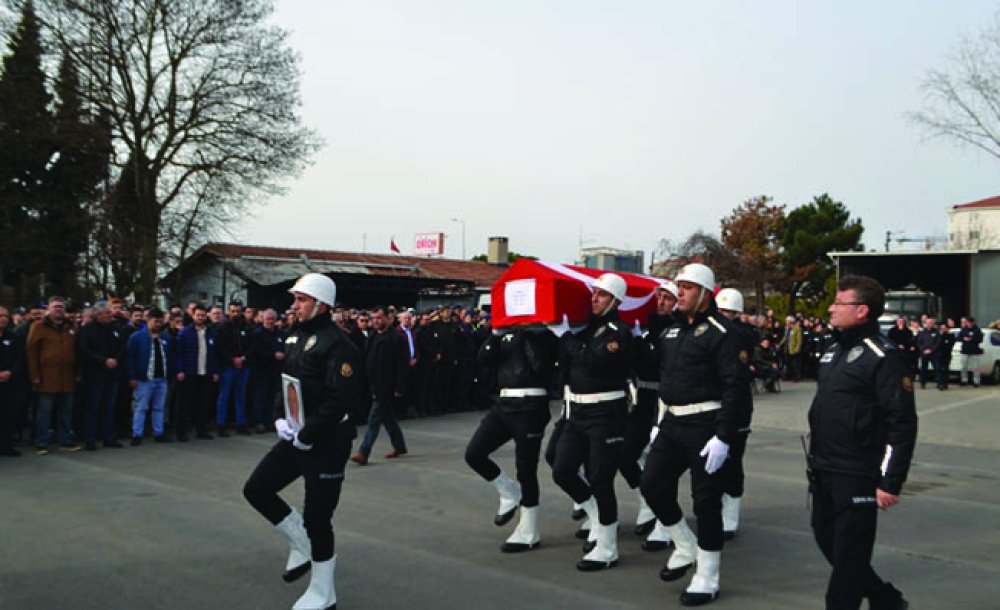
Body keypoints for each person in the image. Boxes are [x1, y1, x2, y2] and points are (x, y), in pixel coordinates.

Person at [243, 273, 361, 610]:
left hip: (327, 442)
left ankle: (324, 593)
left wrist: (308, 435)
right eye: (295, 299)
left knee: (318, 518)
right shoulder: (294, 336)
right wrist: (281, 417)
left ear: (321, 304)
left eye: (301, 300)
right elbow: (288, 382)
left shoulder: (341, 346)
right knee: (257, 488)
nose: (294, 306)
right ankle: (301, 542)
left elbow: (340, 400)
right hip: (298, 436)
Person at [639, 264, 751, 606]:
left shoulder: (723, 332)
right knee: (652, 486)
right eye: (679, 287)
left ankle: (708, 574)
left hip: (707, 425)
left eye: (687, 287)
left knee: (706, 503)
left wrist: (723, 436)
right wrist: (660, 419)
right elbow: (664, 380)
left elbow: (735, 387)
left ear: (705, 293)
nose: (680, 293)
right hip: (672, 422)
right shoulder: (671, 332)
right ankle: (685, 545)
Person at [807, 276, 916, 610]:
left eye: (840, 303)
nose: (831, 308)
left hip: (857, 470)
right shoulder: (834, 350)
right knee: (828, 541)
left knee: (849, 554)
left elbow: (902, 423)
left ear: (862, 311)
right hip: (823, 465)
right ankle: (884, 597)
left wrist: (890, 480)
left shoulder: (883, 356)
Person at [549, 273, 634, 571]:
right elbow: (568, 364)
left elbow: (594, 362)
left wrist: (567, 338)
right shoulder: (585, 329)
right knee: (562, 470)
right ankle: (596, 514)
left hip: (606, 414)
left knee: (600, 478)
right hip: (577, 413)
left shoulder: (618, 333)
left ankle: (608, 547)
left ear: (615, 301)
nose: (594, 299)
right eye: (594, 293)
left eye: (601, 295)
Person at [465, 323, 558, 552]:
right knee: (474, 454)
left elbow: (540, 366)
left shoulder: (541, 334)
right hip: (504, 404)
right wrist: (496, 335)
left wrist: (528, 334)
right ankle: (509, 491)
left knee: (526, 469)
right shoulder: (507, 333)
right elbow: (484, 359)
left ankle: (529, 529)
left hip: (531, 404)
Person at [629, 280, 679, 541]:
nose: (661, 303)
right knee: (626, 454)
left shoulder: (675, 330)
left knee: (664, 463)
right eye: (659, 297)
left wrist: (640, 345)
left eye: (668, 299)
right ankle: (648, 501)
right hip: (644, 398)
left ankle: (665, 521)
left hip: (665, 401)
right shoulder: (649, 329)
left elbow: (659, 361)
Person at [713, 288, 756, 540]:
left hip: (738, 406)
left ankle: (731, 511)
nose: (722, 316)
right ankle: (716, 506)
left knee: (732, 459)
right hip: (717, 403)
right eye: (719, 311)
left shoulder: (740, 334)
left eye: (727, 312)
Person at [351, 305, 408, 465]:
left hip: (387, 386)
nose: (375, 321)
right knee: (388, 418)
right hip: (372, 384)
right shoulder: (372, 336)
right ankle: (399, 446)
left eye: (379, 318)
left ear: (388, 319)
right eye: (373, 318)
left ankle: (363, 452)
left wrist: (399, 387)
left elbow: (403, 366)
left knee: (374, 419)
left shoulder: (396, 339)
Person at [26, 297, 83, 454]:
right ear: (49, 309)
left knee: (66, 411)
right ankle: (41, 442)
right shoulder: (38, 326)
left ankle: (65, 440)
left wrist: (78, 372)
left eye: (61, 307)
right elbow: (31, 352)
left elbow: (77, 352)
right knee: (44, 412)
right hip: (46, 376)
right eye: (56, 306)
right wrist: (34, 375)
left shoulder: (72, 326)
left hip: (67, 376)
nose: (59, 309)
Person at [77, 302, 128, 450]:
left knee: (109, 407)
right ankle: (90, 439)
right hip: (95, 375)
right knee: (93, 408)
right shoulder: (87, 330)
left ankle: (108, 437)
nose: (110, 315)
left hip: (112, 375)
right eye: (107, 313)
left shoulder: (115, 329)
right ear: (98, 315)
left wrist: (115, 360)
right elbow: (84, 350)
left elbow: (122, 346)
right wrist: (103, 360)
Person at [126, 307, 173, 444]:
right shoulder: (137, 338)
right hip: (144, 379)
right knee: (141, 407)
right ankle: (137, 434)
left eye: (160, 322)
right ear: (148, 320)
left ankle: (159, 432)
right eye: (155, 321)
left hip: (161, 378)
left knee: (159, 407)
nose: (157, 324)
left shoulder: (165, 338)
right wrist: (132, 377)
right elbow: (130, 358)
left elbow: (169, 356)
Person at [174, 303, 220, 441]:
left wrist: (215, 371)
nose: (200, 318)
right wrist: (180, 369)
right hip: (189, 372)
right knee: (185, 404)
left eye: (203, 315)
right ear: (193, 315)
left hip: (205, 373)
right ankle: (181, 432)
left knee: (203, 404)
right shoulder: (185, 332)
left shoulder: (211, 333)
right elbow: (179, 353)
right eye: (198, 315)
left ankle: (202, 430)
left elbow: (214, 354)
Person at [215, 301, 254, 436]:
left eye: (238, 311)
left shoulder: (247, 327)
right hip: (227, 366)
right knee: (224, 396)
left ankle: (240, 424)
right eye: (233, 311)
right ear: (228, 311)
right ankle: (221, 425)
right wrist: (232, 359)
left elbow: (252, 346)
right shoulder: (222, 327)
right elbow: (220, 347)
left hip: (243, 365)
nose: (235, 314)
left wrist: (243, 358)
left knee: (241, 396)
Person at [250, 309, 286, 433]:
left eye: (272, 319)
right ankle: (258, 422)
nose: (270, 321)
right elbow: (256, 351)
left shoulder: (281, 334)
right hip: (261, 369)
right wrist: (272, 355)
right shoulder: (257, 334)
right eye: (268, 319)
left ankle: (269, 421)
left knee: (272, 397)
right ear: (263, 319)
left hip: (276, 370)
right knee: (260, 396)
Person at [0, 306, 22, 456]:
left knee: (7, 415)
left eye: (6, 316)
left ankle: (6, 446)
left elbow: (20, 358)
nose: (4, 319)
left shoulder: (13, 336)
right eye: (1, 316)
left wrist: (10, 372)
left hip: (9, 383)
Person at [915, 318, 944, 390]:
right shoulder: (922, 332)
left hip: (935, 354)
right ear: (925, 324)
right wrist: (923, 350)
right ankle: (922, 384)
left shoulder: (937, 332)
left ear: (933, 324)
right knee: (923, 369)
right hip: (924, 354)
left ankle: (940, 384)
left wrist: (931, 350)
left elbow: (938, 343)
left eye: (931, 323)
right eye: (928, 323)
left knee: (937, 369)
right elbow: (919, 342)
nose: (929, 324)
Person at [957, 316, 984, 387]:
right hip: (965, 351)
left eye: (970, 323)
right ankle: (964, 380)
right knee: (964, 367)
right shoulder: (963, 329)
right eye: (968, 323)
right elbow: (959, 338)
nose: (969, 324)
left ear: (973, 323)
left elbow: (980, 340)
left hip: (974, 351)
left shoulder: (977, 330)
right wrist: (964, 339)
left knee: (976, 367)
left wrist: (971, 339)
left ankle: (976, 381)